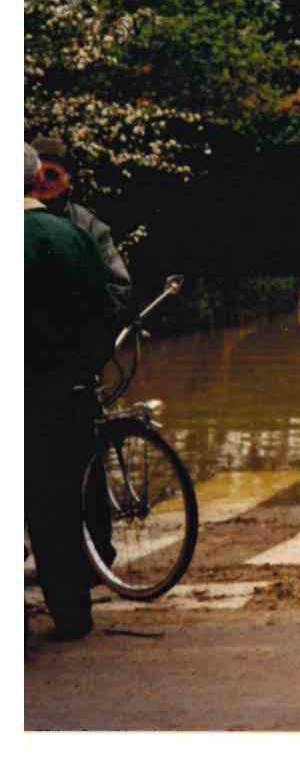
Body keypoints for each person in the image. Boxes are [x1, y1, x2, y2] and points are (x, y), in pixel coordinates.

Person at [24, 143, 115, 640]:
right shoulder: (71, 234)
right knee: (56, 501)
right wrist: (87, 368)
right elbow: (103, 305)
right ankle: (72, 612)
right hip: (68, 386)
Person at [28, 134, 131, 329]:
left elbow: (119, 287)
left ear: (68, 179)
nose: (42, 181)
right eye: (37, 175)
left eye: (51, 175)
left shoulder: (88, 225)